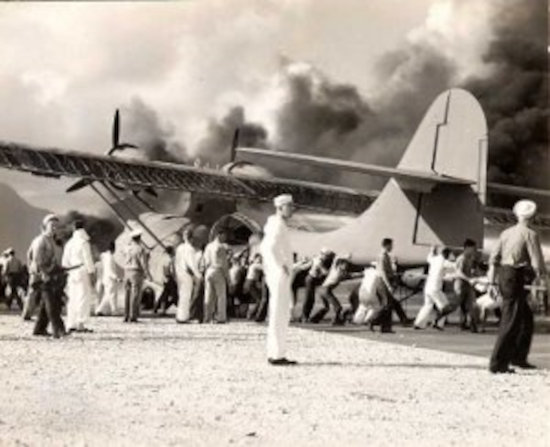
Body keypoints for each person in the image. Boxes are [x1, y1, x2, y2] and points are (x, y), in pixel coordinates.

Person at [488, 199, 547, 373]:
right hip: (515, 276)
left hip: (504, 275)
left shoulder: (506, 233)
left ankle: (518, 358)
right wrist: (543, 280)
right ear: (533, 217)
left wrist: (491, 282)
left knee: (525, 318)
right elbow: (537, 264)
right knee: (510, 319)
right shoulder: (530, 234)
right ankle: (498, 364)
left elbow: (493, 259)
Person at [261, 194, 296, 366]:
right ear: (280, 207)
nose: (292, 209)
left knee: (280, 312)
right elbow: (269, 247)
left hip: (278, 273)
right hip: (279, 274)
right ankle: (277, 355)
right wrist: (281, 265)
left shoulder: (276, 223)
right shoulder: (277, 224)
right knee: (279, 313)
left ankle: (276, 352)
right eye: (289, 206)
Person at [29, 214, 67, 338]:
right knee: (52, 304)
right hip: (43, 277)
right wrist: (42, 273)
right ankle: (58, 329)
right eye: (52, 226)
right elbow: (36, 259)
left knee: (47, 304)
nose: (55, 228)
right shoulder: (41, 240)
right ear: (45, 226)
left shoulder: (54, 241)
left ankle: (39, 329)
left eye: (57, 226)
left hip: (52, 276)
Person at [62, 220, 96, 333]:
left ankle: (71, 323)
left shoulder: (69, 243)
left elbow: (65, 262)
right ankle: (80, 324)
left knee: (72, 298)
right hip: (82, 271)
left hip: (72, 272)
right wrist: (92, 273)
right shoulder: (84, 242)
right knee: (83, 297)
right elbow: (88, 259)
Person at [414, 246, 456, 330]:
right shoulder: (444, 262)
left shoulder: (434, 259)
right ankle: (437, 322)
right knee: (446, 307)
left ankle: (419, 323)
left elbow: (428, 258)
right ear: (446, 255)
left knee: (427, 305)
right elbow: (454, 265)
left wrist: (432, 250)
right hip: (436, 288)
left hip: (428, 287)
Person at [376, 238, 412, 332]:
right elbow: (383, 272)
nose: (392, 247)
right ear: (387, 245)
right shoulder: (383, 256)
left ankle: (386, 326)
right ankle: (376, 322)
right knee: (387, 305)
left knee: (390, 304)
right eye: (391, 245)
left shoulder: (386, 256)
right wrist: (388, 285)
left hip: (384, 281)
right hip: (383, 282)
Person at [310, 254, 354, 325]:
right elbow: (351, 275)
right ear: (340, 265)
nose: (346, 266)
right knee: (338, 307)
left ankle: (314, 319)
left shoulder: (333, 269)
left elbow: (335, 260)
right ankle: (336, 321)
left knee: (326, 307)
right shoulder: (340, 273)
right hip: (325, 290)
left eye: (346, 265)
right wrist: (364, 273)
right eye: (344, 264)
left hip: (321, 290)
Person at [122, 229, 151, 323]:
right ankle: (133, 316)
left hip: (126, 271)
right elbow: (143, 263)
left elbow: (123, 254)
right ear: (139, 238)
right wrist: (148, 274)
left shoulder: (126, 248)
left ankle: (126, 315)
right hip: (136, 272)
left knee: (127, 294)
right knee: (135, 294)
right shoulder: (140, 249)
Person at [300, 248, 333, 323]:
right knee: (309, 298)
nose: (328, 257)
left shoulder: (316, 258)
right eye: (327, 256)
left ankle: (304, 316)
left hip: (313, 279)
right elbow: (325, 272)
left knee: (310, 298)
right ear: (323, 254)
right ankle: (304, 317)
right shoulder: (318, 261)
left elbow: (306, 267)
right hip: (311, 279)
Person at [454, 238, 480, 332]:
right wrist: (469, 279)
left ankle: (473, 326)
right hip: (460, 284)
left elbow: (471, 271)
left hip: (468, 285)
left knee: (471, 304)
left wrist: (475, 276)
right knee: (458, 305)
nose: (474, 250)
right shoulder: (461, 259)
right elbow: (459, 272)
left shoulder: (470, 259)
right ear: (467, 248)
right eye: (473, 248)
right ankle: (439, 318)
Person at [203, 230, 229, 323]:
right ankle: (221, 317)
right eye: (224, 235)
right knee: (221, 295)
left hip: (208, 270)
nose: (225, 238)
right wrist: (227, 277)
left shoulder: (208, 246)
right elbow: (224, 264)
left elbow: (205, 261)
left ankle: (207, 316)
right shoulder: (220, 247)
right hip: (218, 270)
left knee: (209, 295)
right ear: (219, 235)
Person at [95, 241, 120, 316]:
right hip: (110, 279)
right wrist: (116, 278)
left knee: (109, 295)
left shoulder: (105, 257)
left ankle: (113, 309)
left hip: (106, 278)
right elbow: (110, 270)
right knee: (110, 295)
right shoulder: (110, 258)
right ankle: (101, 309)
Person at [153, 246, 178, 315]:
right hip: (168, 278)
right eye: (174, 251)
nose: (175, 252)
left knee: (165, 294)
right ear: (171, 252)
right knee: (174, 294)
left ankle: (159, 307)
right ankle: (161, 308)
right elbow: (168, 270)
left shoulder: (163, 258)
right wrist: (173, 278)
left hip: (164, 278)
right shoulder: (169, 259)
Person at [245, 253, 264, 319]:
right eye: (258, 259)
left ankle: (250, 314)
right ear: (255, 259)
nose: (260, 260)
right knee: (258, 299)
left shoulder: (253, 265)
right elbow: (265, 268)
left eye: (261, 259)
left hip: (250, 282)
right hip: (251, 283)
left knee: (255, 300)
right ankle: (251, 315)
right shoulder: (255, 265)